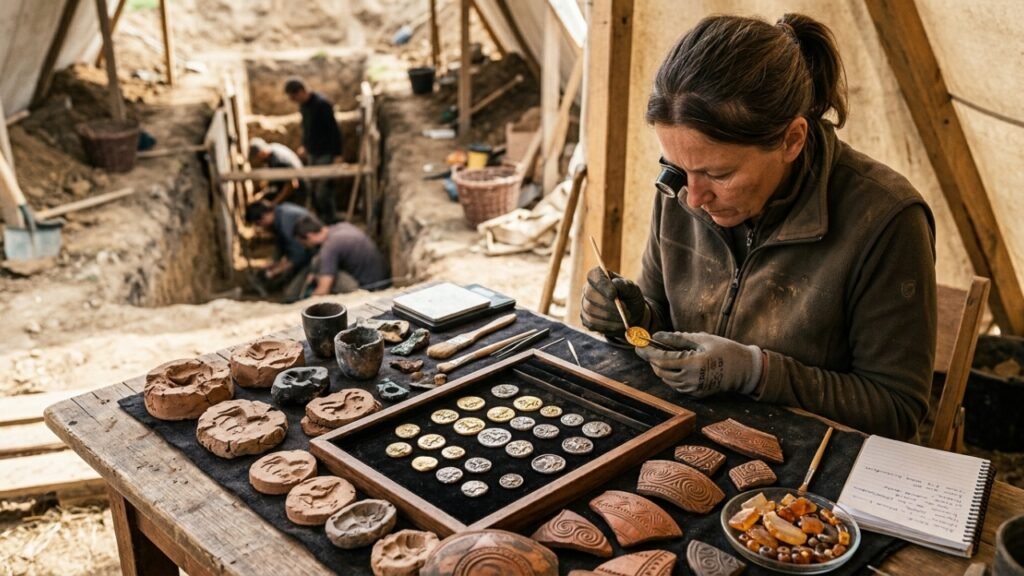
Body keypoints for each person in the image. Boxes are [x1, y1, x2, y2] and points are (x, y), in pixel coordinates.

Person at [581, 14, 936, 441]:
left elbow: (896, 410)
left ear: (792, 140)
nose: (693, 198)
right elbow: (661, 325)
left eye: (720, 174)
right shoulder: (683, 187)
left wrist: (756, 371)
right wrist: (631, 318)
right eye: (677, 168)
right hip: (695, 432)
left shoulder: (884, 219)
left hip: (812, 464)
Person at [285, 78, 343, 224]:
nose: (294, 101)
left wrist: (337, 154)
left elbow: (334, 131)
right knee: (313, 188)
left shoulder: (322, 105)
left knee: (323, 190)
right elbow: (306, 128)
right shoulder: (304, 106)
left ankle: (330, 220)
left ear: (301, 91)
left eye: (294, 97)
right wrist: (304, 145)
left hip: (326, 153)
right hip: (313, 153)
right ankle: (320, 219)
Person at [293, 216, 390, 296]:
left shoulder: (329, 247)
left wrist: (310, 297)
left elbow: (323, 291)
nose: (305, 247)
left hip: (371, 288)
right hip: (383, 277)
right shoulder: (342, 226)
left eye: (304, 243)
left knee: (328, 275)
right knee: (319, 262)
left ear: (310, 236)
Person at [244, 201, 316, 294]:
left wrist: (275, 272)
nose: (261, 227)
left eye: (258, 224)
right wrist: (273, 262)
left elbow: (299, 256)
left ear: (264, 217)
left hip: (315, 256)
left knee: (291, 294)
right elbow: (281, 244)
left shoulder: (285, 222)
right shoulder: (280, 212)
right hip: (308, 252)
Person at [248, 138, 310, 206]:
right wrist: (262, 194)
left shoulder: (279, 161)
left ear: (262, 153)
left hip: (298, 193)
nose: (258, 160)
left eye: (258, 157)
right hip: (292, 187)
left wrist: (274, 203)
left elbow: (292, 185)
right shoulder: (273, 148)